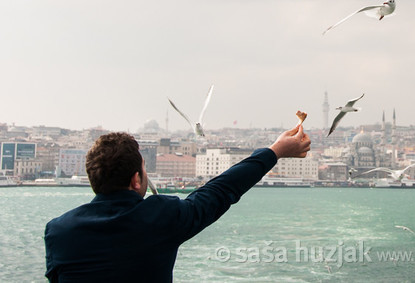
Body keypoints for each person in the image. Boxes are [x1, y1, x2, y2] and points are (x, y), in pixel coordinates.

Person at [44, 113, 311, 282]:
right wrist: (274, 151)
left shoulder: (58, 231)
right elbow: (219, 191)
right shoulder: (160, 216)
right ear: (137, 179)